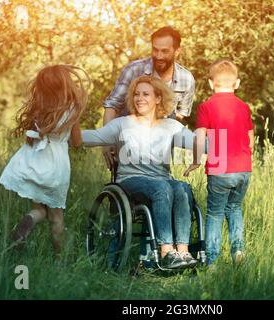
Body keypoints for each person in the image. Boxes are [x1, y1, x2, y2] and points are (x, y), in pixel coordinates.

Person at [82, 76, 198, 269]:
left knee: (182, 188)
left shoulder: (171, 127)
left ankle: (183, 252)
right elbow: (95, 136)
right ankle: (166, 251)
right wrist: (61, 133)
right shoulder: (123, 124)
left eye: (146, 94)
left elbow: (199, 143)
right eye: (136, 94)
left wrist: (228, 146)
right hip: (130, 182)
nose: (139, 98)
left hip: (161, 182)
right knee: (162, 187)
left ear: (158, 98)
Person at [0, 65, 90, 257]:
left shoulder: (40, 109)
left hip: (36, 162)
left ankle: (28, 221)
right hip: (57, 165)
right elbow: (77, 142)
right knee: (56, 217)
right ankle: (59, 262)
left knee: (39, 209)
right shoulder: (71, 110)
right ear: (65, 85)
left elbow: (31, 138)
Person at [184, 59, 255, 266]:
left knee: (214, 213)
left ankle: (212, 261)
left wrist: (196, 160)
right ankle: (238, 251)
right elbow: (251, 140)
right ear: (237, 83)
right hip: (243, 168)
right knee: (234, 209)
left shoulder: (207, 107)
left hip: (219, 167)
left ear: (210, 83)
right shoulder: (244, 107)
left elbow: (199, 137)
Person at [102, 26, 195, 170]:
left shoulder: (186, 79)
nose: (158, 55)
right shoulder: (134, 70)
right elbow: (112, 105)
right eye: (155, 49)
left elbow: (180, 114)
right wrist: (107, 140)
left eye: (164, 51)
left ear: (177, 51)